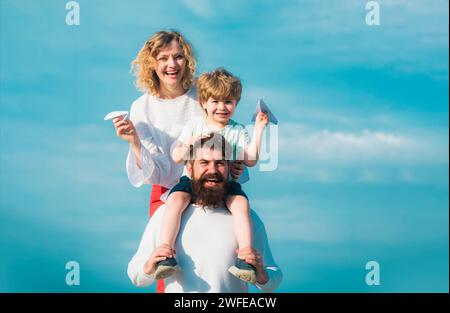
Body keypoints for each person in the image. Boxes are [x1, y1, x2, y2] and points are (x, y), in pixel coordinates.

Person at [112, 31, 244, 292]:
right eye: (163, 58)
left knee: (225, 260)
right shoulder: (141, 108)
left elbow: (225, 130)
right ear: (152, 64)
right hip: (166, 191)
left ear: (188, 61)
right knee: (167, 264)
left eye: (178, 57)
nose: (171, 65)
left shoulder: (202, 95)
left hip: (213, 183)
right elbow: (156, 170)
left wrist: (234, 162)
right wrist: (133, 141)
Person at [154, 68, 269, 284]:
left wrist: (260, 128)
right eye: (215, 101)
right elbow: (177, 155)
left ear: (236, 104)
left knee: (241, 205)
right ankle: (166, 252)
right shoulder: (195, 126)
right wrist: (193, 141)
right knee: (175, 200)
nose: (222, 107)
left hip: (226, 184)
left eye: (228, 102)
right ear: (204, 102)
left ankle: (245, 257)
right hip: (193, 181)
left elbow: (251, 159)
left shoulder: (238, 131)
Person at [127, 133, 282, 292]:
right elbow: (135, 274)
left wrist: (261, 274)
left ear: (229, 168)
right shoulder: (165, 214)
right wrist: (148, 266)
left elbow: (274, 279)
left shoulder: (246, 218)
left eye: (220, 163)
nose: (212, 170)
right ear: (189, 168)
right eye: (204, 162)